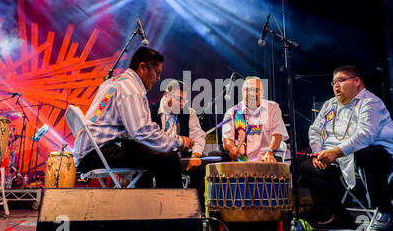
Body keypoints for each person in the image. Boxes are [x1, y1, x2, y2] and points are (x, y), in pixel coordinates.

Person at [73, 47, 194, 188]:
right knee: (167, 156)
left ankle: (147, 203)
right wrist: (179, 142)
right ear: (142, 67)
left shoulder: (114, 81)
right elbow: (142, 132)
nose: (159, 78)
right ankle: (172, 208)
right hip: (96, 154)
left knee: (150, 151)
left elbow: (133, 132)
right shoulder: (130, 90)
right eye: (157, 72)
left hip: (88, 153)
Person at [301, 65, 393, 231]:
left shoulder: (370, 102)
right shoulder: (329, 105)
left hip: (377, 156)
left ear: (356, 81)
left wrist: (335, 152)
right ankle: (339, 215)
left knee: (365, 154)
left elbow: (365, 135)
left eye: (341, 80)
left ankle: (385, 211)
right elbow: (315, 129)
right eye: (333, 83)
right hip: (341, 158)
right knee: (307, 166)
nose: (336, 86)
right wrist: (319, 154)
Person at [149, 80, 206, 199]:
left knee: (206, 164)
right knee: (168, 160)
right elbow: (152, 137)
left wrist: (196, 155)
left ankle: (195, 205)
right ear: (166, 95)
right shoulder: (149, 111)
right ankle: (172, 204)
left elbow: (198, 136)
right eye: (178, 99)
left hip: (181, 158)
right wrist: (181, 141)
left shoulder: (189, 112)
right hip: (157, 160)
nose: (181, 103)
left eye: (184, 100)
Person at [222, 76, 289, 162]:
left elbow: (277, 134)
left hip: (267, 158)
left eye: (256, 90)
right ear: (242, 92)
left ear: (262, 93)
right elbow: (227, 139)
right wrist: (232, 149)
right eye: (248, 90)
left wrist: (270, 153)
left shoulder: (272, 108)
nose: (252, 94)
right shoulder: (232, 113)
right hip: (242, 161)